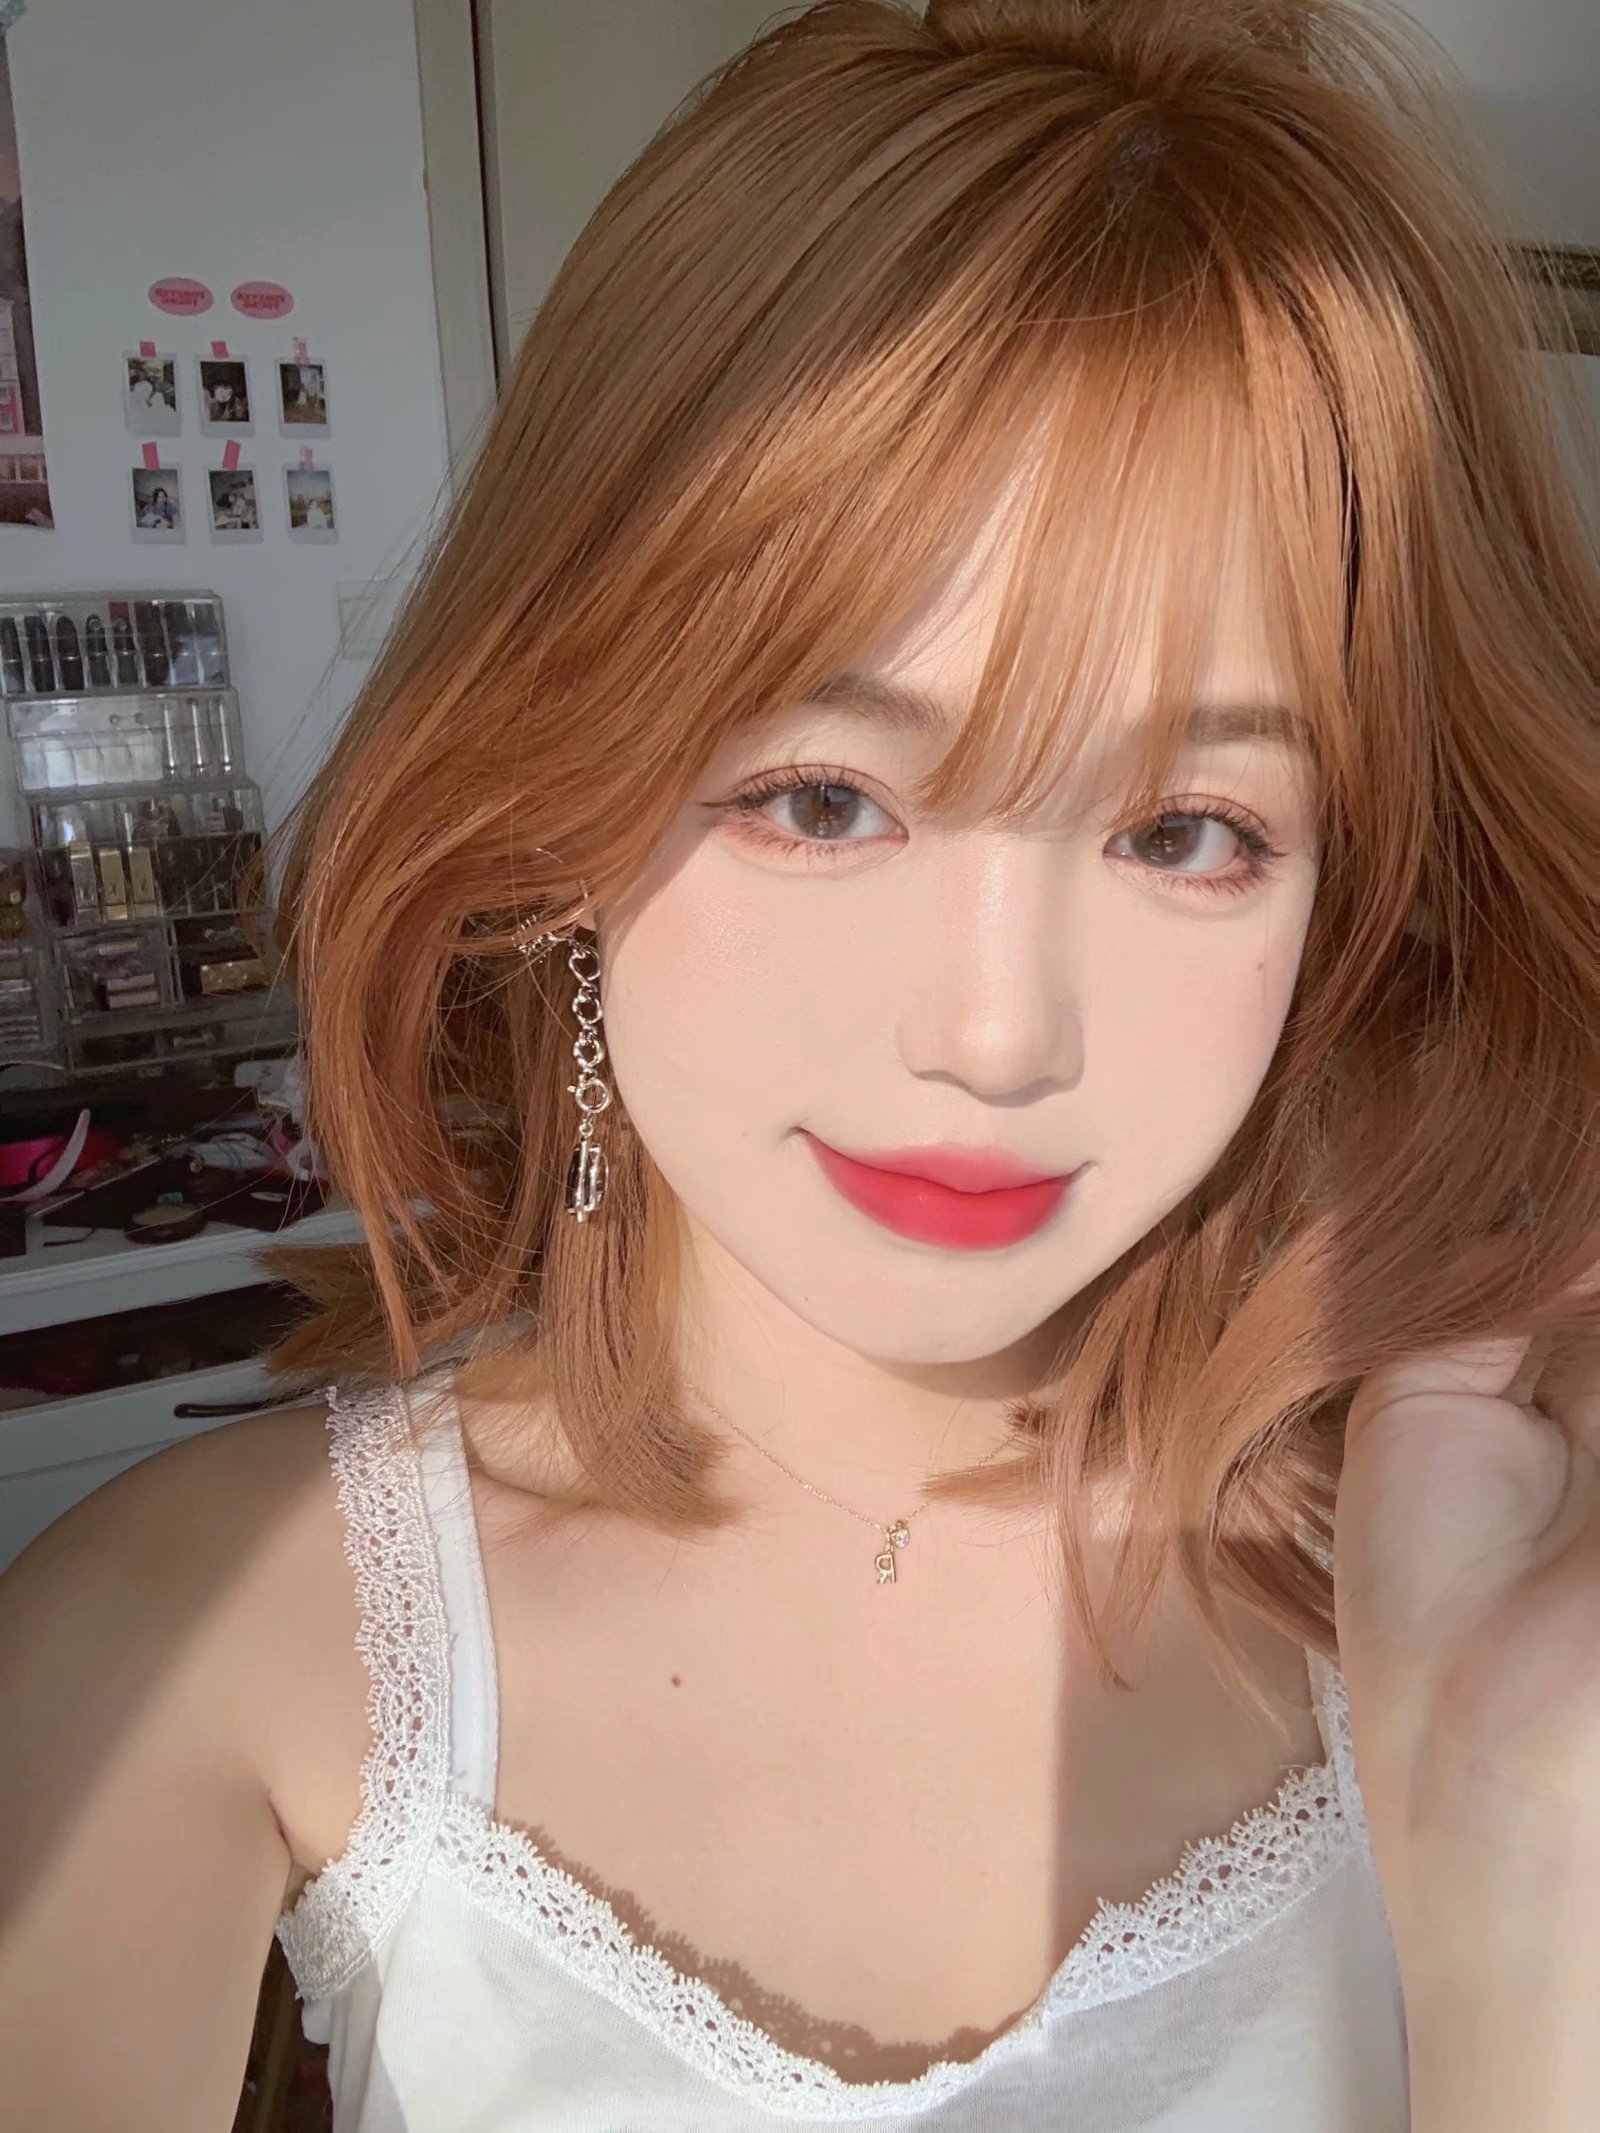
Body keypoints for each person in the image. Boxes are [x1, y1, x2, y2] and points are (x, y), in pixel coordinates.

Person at [2, 1, 1596, 2127]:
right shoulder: (199, 1640)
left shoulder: (1454, 1583)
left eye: (1185, 832)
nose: (995, 1034)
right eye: (822, 798)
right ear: (552, 811)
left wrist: (1521, 1899)